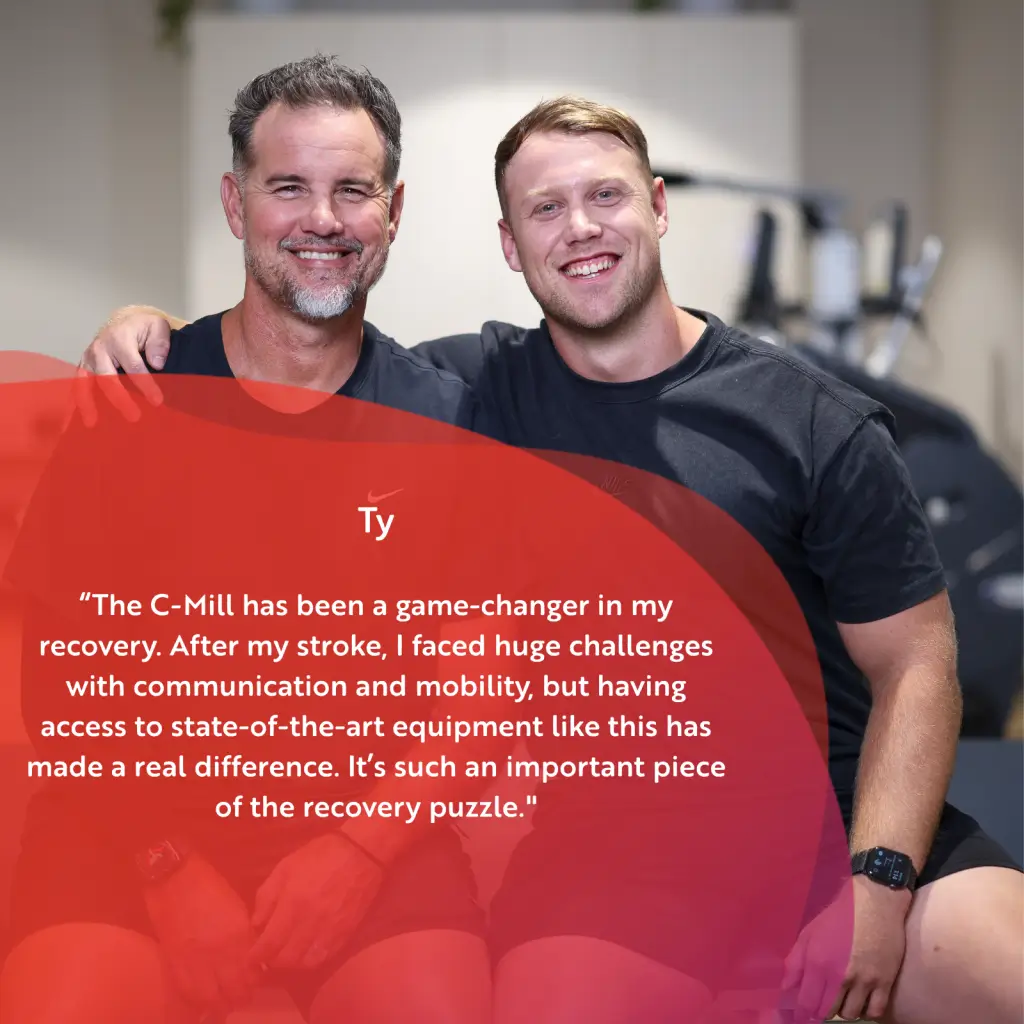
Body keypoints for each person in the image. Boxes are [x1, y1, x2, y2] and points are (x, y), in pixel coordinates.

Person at [73, 95, 1023, 1024]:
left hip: (839, 819)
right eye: (546, 208)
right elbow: (303, 349)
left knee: (998, 977)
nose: (580, 228)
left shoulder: (814, 419)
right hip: (615, 851)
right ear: (510, 245)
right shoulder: (473, 395)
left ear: (657, 204)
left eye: (605, 197)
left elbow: (918, 663)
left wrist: (880, 881)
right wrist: (146, 333)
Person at [0, 56, 512, 1024]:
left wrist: (357, 853)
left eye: (351, 189)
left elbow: (475, 697)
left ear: (391, 212)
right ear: (237, 205)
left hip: (376, 836)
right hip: (122, 834)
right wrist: (166, 870)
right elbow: (66, 680)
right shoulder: (134, 397)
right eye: (289, 187)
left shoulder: (449, 421)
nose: (322, 218)